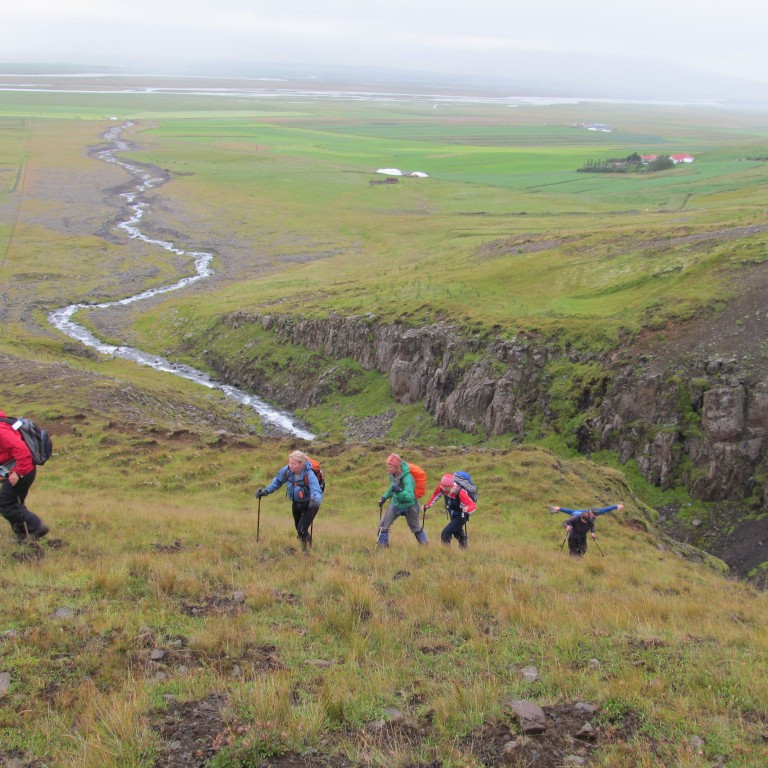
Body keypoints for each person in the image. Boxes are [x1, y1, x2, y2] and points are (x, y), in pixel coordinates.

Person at [256, 450, 323, 549]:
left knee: (301, 529)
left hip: (310, 505)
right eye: (290, 463)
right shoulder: (287, 471)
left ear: (301, 464)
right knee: (298, 528)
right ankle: (305, 547)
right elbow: (277, 482)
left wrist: (315, 500)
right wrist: (265, 491)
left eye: (293, 464)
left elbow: (316, 489)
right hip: (296, 503)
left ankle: (306, 550)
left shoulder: (309, 474)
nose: (290, 465)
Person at [0, 409, 49, 542]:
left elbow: (21, 450)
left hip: (22, 471)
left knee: (6, 504)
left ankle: (37, 527)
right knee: (14, 503)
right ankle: (22, 536)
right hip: (17, 470)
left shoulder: (1, 430)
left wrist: (18, 472)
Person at [376, 453, 427, 548]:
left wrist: (399, 491)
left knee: (415, 527)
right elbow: (392, 488)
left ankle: (424, 545)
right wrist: (384, 497)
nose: (387, 469)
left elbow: (410, 496)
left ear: (397, 467)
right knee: (383, 524)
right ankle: (382, 547)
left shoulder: (408, 478)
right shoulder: (392, 475)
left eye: (390, 467)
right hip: (396, 504)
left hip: (410, 506)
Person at [423, 473, 476, 548]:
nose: (442, 488)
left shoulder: (460, 492)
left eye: (444, 486)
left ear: (450, 486)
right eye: (442, 485)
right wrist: (428, 505)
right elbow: (435, 495)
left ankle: (446, 552)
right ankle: (464, 548)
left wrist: (467, 508)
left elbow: (473, 505)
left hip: (462, 515)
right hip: (453, 513)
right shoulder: (442, 487)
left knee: (445, 533)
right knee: (457, 532)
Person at [549, 503, 624, 517]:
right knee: (573, 512)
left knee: (572, 511)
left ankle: (557, 508)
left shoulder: (598, 512)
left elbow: (606, 509)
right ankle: (556, 509)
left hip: (580, 514)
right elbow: (572, 513)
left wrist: (616, 506)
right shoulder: (580, 514)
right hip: (578, 517)